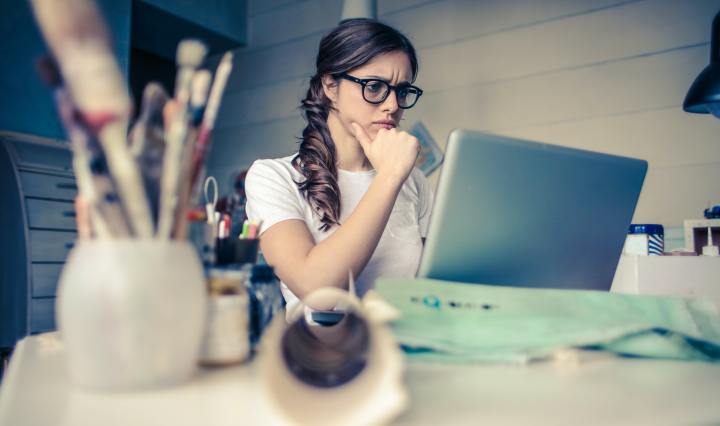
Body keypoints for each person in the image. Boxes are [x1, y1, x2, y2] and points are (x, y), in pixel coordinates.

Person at [245, 18, 433, 314]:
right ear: (330, 85)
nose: (393, 105)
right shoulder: (273, 177)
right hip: (321, 355)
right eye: (374, 87)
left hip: (405, 353)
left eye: (401, 90)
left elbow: (429, 289)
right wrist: (389, 177)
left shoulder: (415, 182)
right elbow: (317, 292)